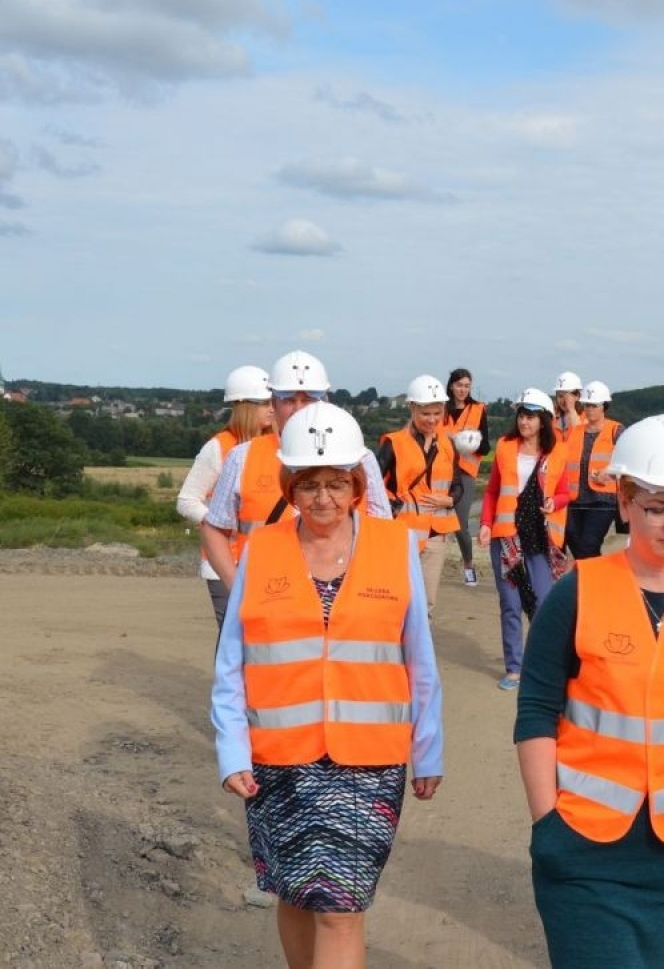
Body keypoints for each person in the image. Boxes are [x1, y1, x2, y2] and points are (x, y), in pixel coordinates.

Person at [514, 414, 664, 969]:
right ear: (624, 503)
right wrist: (547, 824)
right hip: (585, 850)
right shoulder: (577, 592)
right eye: (657, 508)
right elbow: (536, 712)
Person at [211, 402, 443, 969]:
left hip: (369, 764)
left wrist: (428, 749)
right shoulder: (261, 550)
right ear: (290, 486)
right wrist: (232, 751)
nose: (323, 499)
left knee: (340, 907)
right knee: (293, 892)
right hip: (279, 761)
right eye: (309, 484)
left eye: (336, 484)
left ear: (357, 485)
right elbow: (231, 663)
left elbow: (420, 658)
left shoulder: (395, 546)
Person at [202, 351, 392, 586]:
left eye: (308, 399)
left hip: (346, 588)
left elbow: (383, 528)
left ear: (325, 401)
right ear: (273, 404)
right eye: (289, 400)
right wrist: (238, 589)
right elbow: (214, 529)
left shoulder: (360, 457)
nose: (299, 409)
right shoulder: (242, 457)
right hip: (267, 588)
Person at [478, 388, 572, 690]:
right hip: (506, 536)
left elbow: (566, 492)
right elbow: (492, 490)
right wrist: (485, 523)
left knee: (543, 603)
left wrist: (554, 503)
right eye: (521, 415)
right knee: (510, 603)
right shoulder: (505, 447)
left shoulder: (558, 451)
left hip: (540, 538)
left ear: (543, 420)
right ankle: (514, 669)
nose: (524, 422)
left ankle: (541, 663)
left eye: (530, 416)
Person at [176, 365, 274, 629]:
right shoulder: (218, 447)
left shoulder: (277, 446)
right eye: (264, 403)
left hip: (268, 561)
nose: (272, 409)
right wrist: (220, 524)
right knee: (233, 637)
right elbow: (186, 500)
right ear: (243, 406)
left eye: (272, 402)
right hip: (225, 562)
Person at [378, 375, 461, 617]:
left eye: (437, 413)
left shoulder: (447, 445)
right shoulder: (394, 443)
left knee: (426, 604)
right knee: (397, 599)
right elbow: (371, 483)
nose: (432, 420)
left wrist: (450, 500)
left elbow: (457, 485)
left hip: (436, 533)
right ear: (412, 408)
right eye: (425, 413)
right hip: (403, 533)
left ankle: (422, 643)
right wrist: (391, 504)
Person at [562, 380, 624, 560]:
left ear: (604, 406)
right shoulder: (575, 431)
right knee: (575, 542)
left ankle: (591, 575)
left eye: (593, 405)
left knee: (589, 544)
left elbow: (629, 460)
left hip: (603, 501)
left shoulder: (616, 430)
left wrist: (609, 472)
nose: (589, 409)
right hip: (574, 500)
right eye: (586, 405)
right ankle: (594, 573)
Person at [442, 368, 491, 586]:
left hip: (465, 473)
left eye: (466, 386)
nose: (462, 390)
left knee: (460, 524)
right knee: (435, 520)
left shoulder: (478, 410)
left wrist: (467, 441)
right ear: (451, 385)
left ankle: (468, 564)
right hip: (440, 471)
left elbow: (486, 447)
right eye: (459, 385)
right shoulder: (441, 409)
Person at [552, 371, 583, 441]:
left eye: (566, 396)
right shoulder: (552, 419)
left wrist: (571, 411)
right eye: (560, 396)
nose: (563, 400)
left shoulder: (587, 419)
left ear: (577, 396)